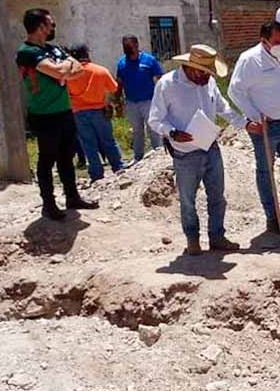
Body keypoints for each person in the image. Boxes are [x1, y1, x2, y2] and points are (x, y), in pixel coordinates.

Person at [148, 44, 251, 255]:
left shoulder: (208, 82)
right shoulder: (167, 85)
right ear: (192, 68)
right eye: (205, 73)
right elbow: (155, 119)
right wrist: (173, 132)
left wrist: (246, 124)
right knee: (187, 201)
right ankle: (192, 241)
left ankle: (217, 237)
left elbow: (223, 108)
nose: (208, 78)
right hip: (185, 154)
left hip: (211, 148)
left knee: (217, 197)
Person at [228, 21, 280, 235]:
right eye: (276, 40)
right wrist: (254, 118)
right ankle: (273, 218)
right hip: (265, 127)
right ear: (264, 39)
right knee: (266, 172)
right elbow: (234, 91)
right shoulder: (250, 60)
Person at [16, 8, 99, 220]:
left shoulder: (52, 50)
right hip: (44, 115)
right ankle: (49, 204)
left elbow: (78, 67)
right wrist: (64, 69)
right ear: (41, 27)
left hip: (64, 111)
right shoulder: (27, 52)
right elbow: (60, 72)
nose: (53, 28)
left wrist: (64, 68)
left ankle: (72, 197)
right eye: (51, 24)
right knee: (47, 159)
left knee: (66, 157)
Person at [65, 43, 125, 182]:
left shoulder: (69, 75)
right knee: (108, 141)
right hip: (99, 110)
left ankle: (96, 174)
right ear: (87, 55)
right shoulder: (100, 71)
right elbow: (113, 88)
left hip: (79, 113)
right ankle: (118, 167)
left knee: (88, 144)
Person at [116, 35, 165, 163]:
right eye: (125, 47)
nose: (127, 49)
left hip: (149, 101)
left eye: (129, 46)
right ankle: (138, 157)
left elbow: (160, 78)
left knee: (153, 128)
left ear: (136, 45)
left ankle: (158, 154)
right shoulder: (122, 63)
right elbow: (119, 83)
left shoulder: (149, 60)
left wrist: (162, 97)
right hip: (131, 102)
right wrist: (118, 101)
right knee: (137, 131)